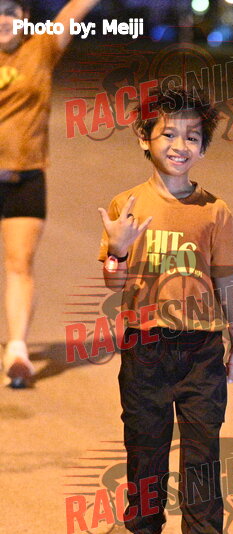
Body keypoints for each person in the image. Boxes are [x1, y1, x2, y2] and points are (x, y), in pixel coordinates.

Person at [97, 87, 233, 533]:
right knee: (145, 453)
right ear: (144, 137)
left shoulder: (214, 210)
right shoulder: (127, 206)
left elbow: (227, 279)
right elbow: (114, 282)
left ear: (203, 147)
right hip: (146, 347)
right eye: (168, 134)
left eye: (192, 138)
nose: (181, 146)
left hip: (202, 349)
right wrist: (118, 250)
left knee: (202, 457)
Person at [0, 0, 101, 387]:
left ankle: (17, 351)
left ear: (24, 18)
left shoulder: (41, 47)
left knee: (20, 262)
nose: (4, 19)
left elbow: (76, 7)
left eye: (11, 11)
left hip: (25, 175)